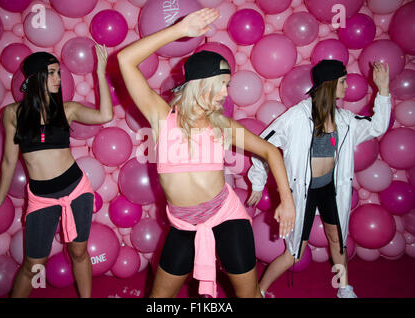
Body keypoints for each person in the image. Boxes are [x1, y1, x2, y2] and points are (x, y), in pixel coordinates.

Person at [117, 8, 295, 298]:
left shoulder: (221, 125)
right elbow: (125, 60)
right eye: (222, 85)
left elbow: (271, 152)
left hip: (226, 216)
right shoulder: (163, 118)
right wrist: (179, 30)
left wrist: (286, 201)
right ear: (203, 84)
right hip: (183, 223)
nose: (226, 93)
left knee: (247, 295)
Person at [0, 45, 113, 298]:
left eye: (59, 72)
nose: (59, 79)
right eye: (52, 73)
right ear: (36, 77)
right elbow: (8, 161)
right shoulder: (13, 113)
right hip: (41, 197)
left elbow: (105, 115)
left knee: (79, 252)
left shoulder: (67, 109)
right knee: (33, 263)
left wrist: (100, 73)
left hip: (76, 189)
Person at [247, 59, 391, 298]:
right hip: (303, 192)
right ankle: (258, 291)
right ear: (330, 84)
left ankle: (343, 288)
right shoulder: (296, 116)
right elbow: (263, 144)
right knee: (295, 253)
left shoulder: (345, 120)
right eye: (343, 82)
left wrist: (383, 90)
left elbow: (377, 126)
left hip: (330, 189)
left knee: (337, 239)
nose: (347, 87)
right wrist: (258, 181)